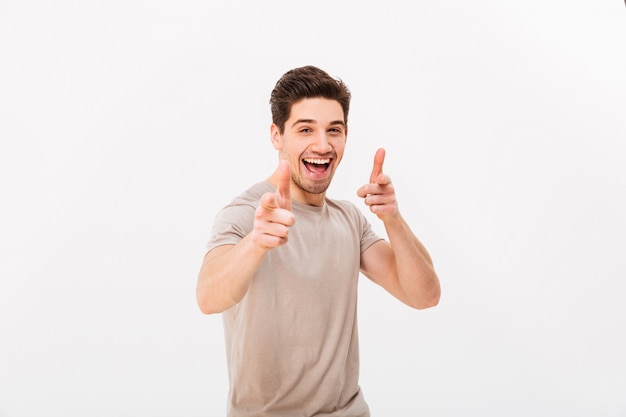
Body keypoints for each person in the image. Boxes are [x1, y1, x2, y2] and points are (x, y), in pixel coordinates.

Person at [196, 65, 440, 417]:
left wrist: (392, 218)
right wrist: (256, 242)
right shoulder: (245, 213)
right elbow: (207, 297)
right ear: (277, 136)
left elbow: (425, 295)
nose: (323, 145)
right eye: (305, 129)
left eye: (334, 131)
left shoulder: (350, 220)